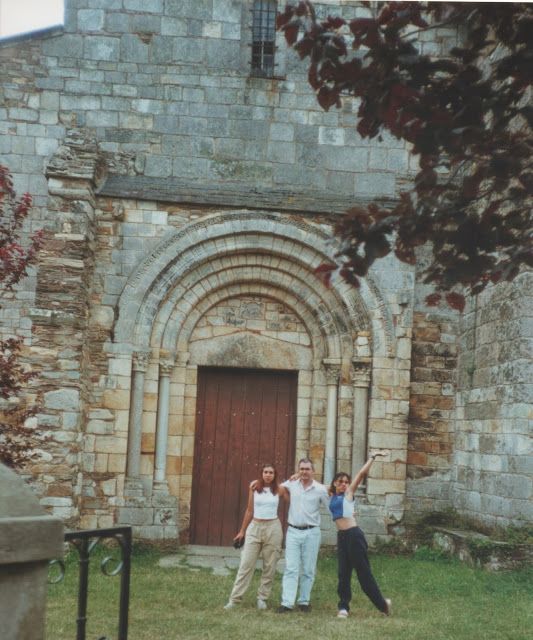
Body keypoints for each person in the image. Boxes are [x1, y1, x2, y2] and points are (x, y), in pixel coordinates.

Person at [329, 450, 392, 618]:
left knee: (364, 574)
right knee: (343, 574)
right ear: (334, 483)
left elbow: (361, 473)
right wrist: (297, 476)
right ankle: (343, 607)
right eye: (340, 481)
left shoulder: (349, 494)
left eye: (346, 482)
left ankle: (383, 605)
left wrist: (373, 457)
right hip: (342, 538)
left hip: (354, 536)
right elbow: (311, 483)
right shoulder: (331, 497)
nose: (344, 484)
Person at [224, 463, 288, 611]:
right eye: (265, 472)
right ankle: (234, 599)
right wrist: (242, 531)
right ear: (262, 473)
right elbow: (249, 510)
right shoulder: (254, 486)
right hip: (255, 526)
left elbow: (292, 496)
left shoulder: (279, 489)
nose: (268, 475)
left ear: (274, 475)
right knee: (246, 564)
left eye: (271, 472)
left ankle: (262, 598)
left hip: (273, 527)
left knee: (270, 565)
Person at [276, 458, 329, 613]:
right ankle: (287, 603)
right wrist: (292, 477)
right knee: (291, 567)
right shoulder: (292, 483)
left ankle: (304, 601)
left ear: (313, 471)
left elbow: (330, 506)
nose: (304, 472)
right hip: (293, 531)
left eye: (307, 469)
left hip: (312, 532)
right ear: (298, 470)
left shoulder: (320, 489)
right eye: (302, 469)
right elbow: (277, 488)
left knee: (308, 568)